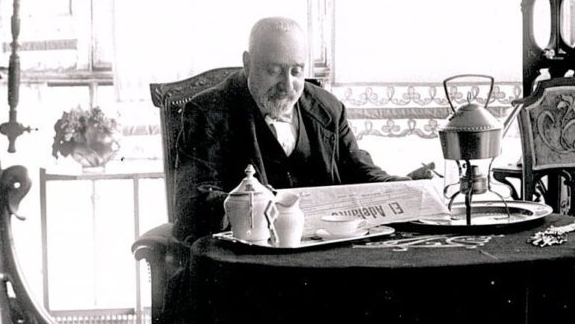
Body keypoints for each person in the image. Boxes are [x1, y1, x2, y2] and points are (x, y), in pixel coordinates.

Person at [173, 16, 423, 243]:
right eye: (274, 71)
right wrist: (254, 204)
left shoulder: (328, 108)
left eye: (296, 71)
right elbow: (193, 203)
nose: (287, 85)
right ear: (247, 64)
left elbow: (360, 171)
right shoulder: (208, 112)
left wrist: (405, 186)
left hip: (324, 249)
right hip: (251, 256)